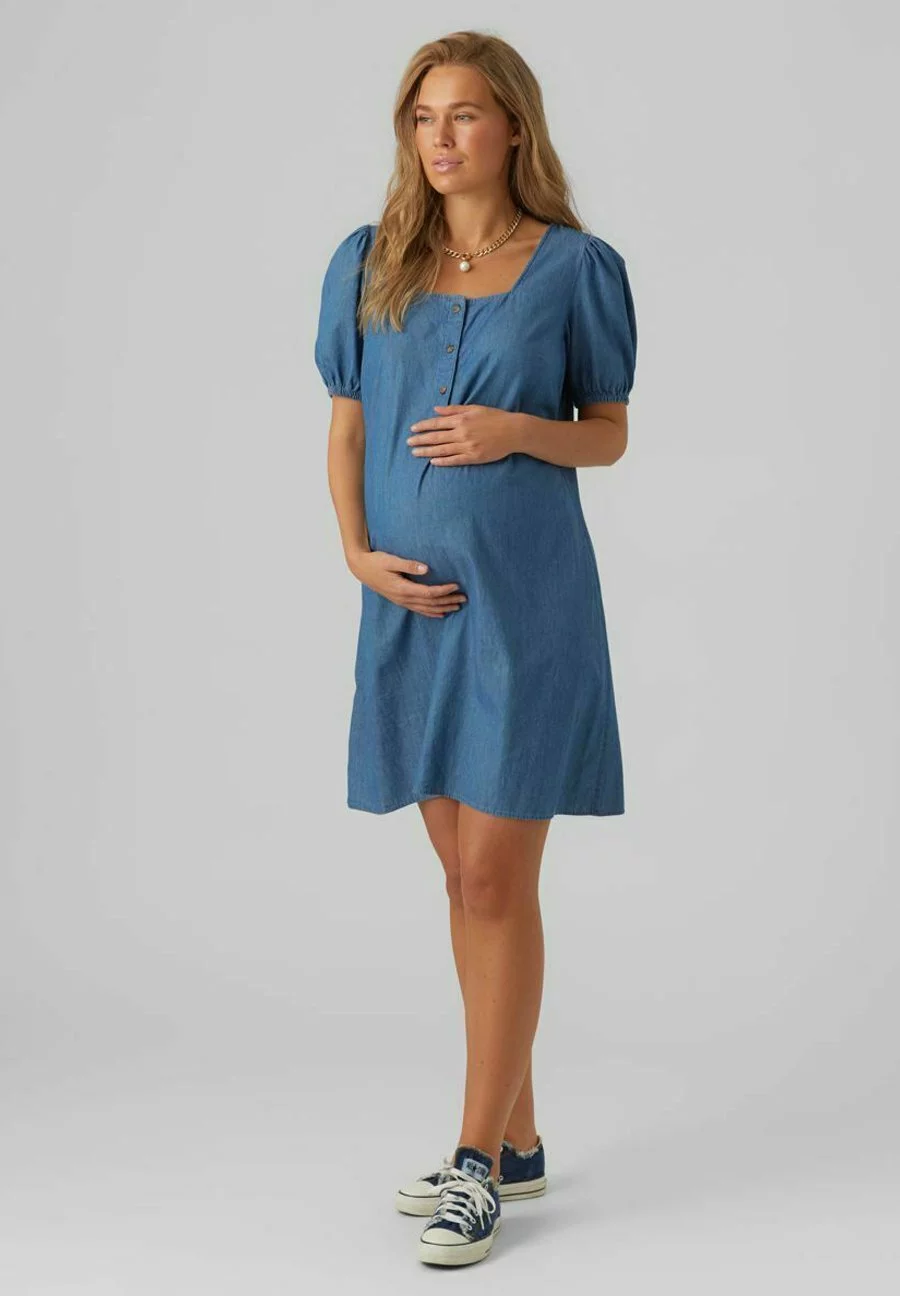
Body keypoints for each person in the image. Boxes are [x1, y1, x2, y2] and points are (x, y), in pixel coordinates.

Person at [314, 29, 637, 1268]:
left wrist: (516, 430)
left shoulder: (573, 268)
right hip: (410, 612)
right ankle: (521, 1137)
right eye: (421, 117)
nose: (439, 138)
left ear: (511, 126)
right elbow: (348, 431)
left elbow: (607, 433)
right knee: (463, 883)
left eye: (461, 114)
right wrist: (356, 552)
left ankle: (474, 1166)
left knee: (496, 882)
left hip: (526, 611)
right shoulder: (371, 262)